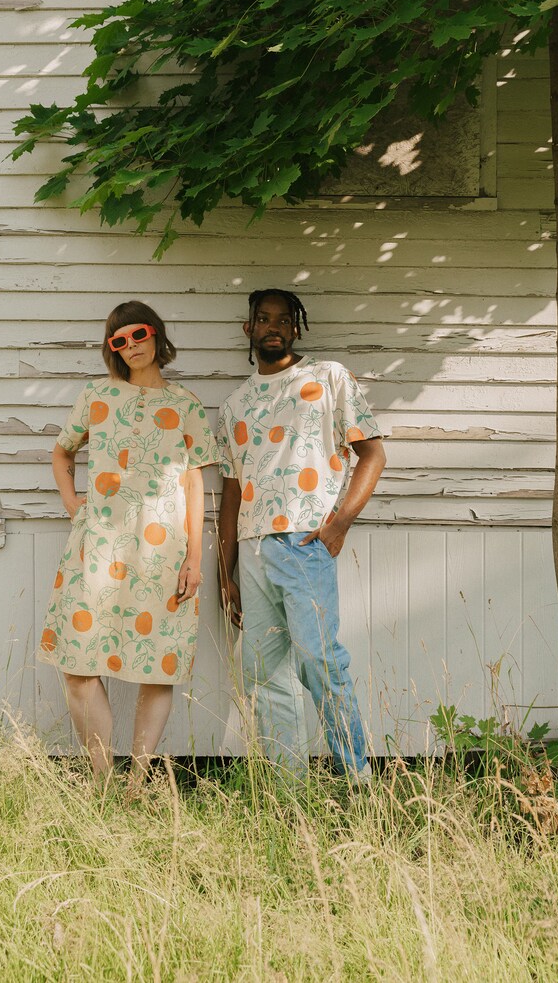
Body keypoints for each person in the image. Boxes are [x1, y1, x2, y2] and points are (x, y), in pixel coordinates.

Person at [38, 301, 218, 793]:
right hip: (96, 548)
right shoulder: (97, 395)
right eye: (118, 341)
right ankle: (101, 782)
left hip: (163, 553)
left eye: (137, 334)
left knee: (156, 669)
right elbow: (62, 450)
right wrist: (74, 502)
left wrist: (195, 559)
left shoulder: (185, 404)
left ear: (156, 334)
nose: (130, 346)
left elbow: (196, 483)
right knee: (79, 667)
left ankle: (137, 783)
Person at [216, 289, 386, 778]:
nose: (273, 327)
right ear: (248, 329)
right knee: (262, 674)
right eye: (263, 319)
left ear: (296, 328)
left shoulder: (329, 378)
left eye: (283, 320)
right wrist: (225, 571)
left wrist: (340, 524)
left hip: (305, 541)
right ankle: (289, 791)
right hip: (251, 548)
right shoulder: (234, 405)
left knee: (320, 664)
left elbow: (372, 454)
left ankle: (359, 780)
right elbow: (232, 493)